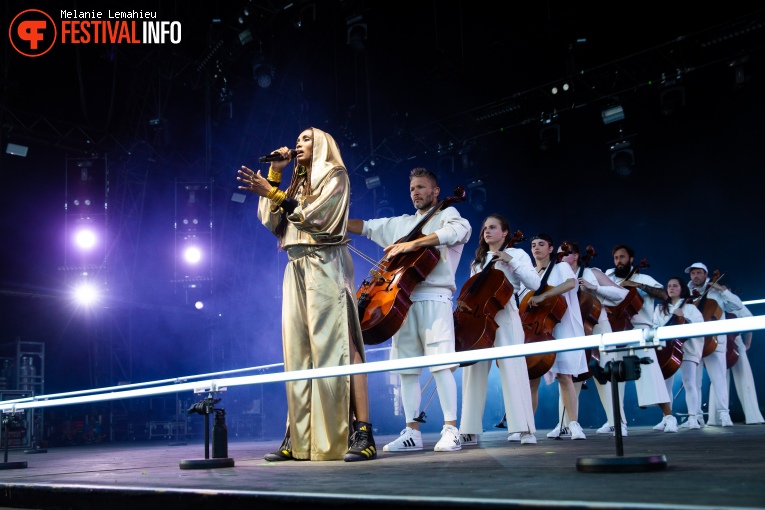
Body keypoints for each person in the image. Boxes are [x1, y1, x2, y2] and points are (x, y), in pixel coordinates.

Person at [237, 128, 376, 462]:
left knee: (340, 345)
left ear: (323, 144)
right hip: (295, 265)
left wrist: (274, 192)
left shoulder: (335, 175)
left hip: (325, 262)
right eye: (297, 140)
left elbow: (321, 219)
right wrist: (276, 175)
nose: (298, 144)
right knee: (299, 351)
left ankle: (362, 432)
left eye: (306, 139)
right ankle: (299, 436)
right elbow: (274, 223)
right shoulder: (297, 183)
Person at [347, 167, 471, 452]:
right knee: (406, 368)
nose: (415, 192)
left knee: (441, 366)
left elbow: (459, 231)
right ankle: (411, 431)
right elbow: (366, 226)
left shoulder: (447, 214)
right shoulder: (401, 223)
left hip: (435, 298)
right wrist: (333, 221)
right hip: (400, 300)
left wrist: (412, 244)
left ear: (435, 191)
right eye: (412, 188)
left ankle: (451, 428)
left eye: (421, 187)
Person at [457, 215, 540, 445]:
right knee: (473, 369)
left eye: (492, 227)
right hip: (479, 316)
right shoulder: (478, 261)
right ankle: (469, 429)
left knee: (513, 367)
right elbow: (471, 291)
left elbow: (534, 284)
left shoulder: (518, 254)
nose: (487, 231)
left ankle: (523, 428)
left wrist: (509, 260)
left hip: (505, 311)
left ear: (505, 233)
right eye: (485, 228)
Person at [518, 234, 587, 440]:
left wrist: (544, 295)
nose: (536, 248)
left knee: (565, 377)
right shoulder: (529, 273)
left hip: (562, 326)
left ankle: (573, 424)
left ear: (551, 248)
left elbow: (570, 284)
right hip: (537, 331)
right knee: (532, 379)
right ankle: (528, 427)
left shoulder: (560, 267)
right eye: (533, 245)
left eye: (541, 244)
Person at [604, 244, 677, 432]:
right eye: (616, 258)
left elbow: (664, 295)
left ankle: (669, 418)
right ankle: (616, 421)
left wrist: (638, 286)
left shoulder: (643, 278)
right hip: (615, 330)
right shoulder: (609, 278)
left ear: (631, 260)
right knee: (613, 375)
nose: (618, 261)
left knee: (650, 374)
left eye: (622, 257)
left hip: (640, 330)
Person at [560, 241, 629, 437]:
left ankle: (618, 422)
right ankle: (566, 424)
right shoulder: (558, 274)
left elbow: (621, 294)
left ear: (575, 256)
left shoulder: (592, 272)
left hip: (597, 326)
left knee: (606, 373)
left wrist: (594, 288)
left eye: (565, 254)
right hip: (573, 329)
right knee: (567, 375)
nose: (560, 258)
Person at [685, 262, 743, 427]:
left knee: (718, 378)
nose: (695, 276)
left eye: (698, 273)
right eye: (693, 273)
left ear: (705, 274)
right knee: (693, 382)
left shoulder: (717, 292)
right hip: (695, 342)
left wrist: (722, 290)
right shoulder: (688, 293)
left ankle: (724, 415)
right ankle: (696, 417)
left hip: (715, 341)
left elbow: (737, 306)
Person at [653, 277, 706, 429]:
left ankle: (693, 418)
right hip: (667, 350)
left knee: (690, 383)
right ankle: (667, 417)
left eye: (675, 286)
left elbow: (699, 327)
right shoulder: (659, 308)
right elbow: (655, 326)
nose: (671, 288)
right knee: (665, 386)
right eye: (669, 286)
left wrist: (683, 317)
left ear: (681, 289)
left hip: (687, 348)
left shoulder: (691, 308)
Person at [712, 305, 765, 424]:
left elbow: (750, 323)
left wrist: (747, 343)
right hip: (719, 345)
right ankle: (716, 417)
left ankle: (752, 416)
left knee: (744, 378)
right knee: (718, 379)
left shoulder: (736, 306)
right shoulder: (713, 307)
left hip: (735, 343)